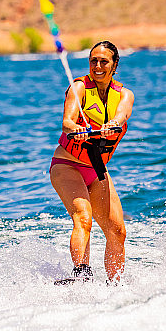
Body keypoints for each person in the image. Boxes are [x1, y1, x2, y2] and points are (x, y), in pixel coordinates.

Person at [50, 41, 135, 283]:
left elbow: (122, 114)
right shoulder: (79, 88)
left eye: (104, 61)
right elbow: (67, 122)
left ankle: (114, 286)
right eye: (93, 61)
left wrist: (113, 124)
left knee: (117, 231)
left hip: (97, 170)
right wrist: (76, 129)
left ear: (114, 66)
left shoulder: (125, 95)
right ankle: (81, 276)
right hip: (67, 165)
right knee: (83, 218)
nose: (97, 66)